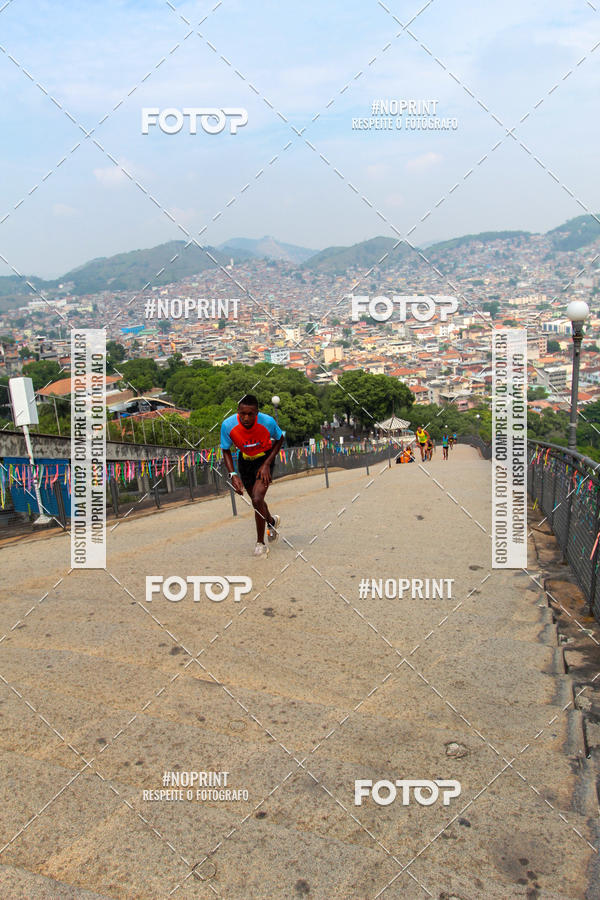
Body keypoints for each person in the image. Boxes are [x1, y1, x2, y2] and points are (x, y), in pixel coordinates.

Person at [221, 395, 284, 557]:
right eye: (243, 414)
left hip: (264, 459)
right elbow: (226, 450)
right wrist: (233, 474)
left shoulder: (268, 421)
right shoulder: (228, 425)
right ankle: (271, 522)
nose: (246, 418)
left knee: (257, 499)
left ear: (257, 413)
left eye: (251, 414)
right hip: (245, 462)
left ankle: (260, 543)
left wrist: (267, 464)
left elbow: (280, 438)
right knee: (257, 502)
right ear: (238, 411)